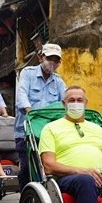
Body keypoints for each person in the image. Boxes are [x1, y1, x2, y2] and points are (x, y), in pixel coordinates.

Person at [15, 43, 67, 191]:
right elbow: (22, 94)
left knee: (52, 166)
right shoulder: (28, 73)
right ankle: (25, 202)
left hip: (50, 133)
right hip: (26, 132)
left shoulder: (58, 81)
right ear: (40, 58)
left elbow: (66, 100)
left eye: (56, 60)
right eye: (49, 58)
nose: (53, 62)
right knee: (26, 168)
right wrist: (29, 110)